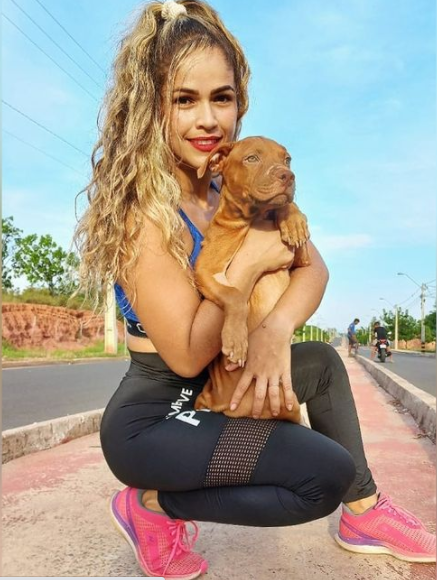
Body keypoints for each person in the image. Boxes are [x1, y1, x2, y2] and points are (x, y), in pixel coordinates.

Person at [74, 1, 435, 577]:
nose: (207, 119)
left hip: (221, 383)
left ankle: (364, 512)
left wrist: (274, 330)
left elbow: (313, 269)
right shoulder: (144, 214)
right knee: (321, 475)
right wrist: (248, 265)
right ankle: (151, 505)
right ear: (151, 106)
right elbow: (187, 356)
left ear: (239, 102)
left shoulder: (238, 188)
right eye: (184, 100)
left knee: (321, 362)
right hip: (158, 416)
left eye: (222, 98)